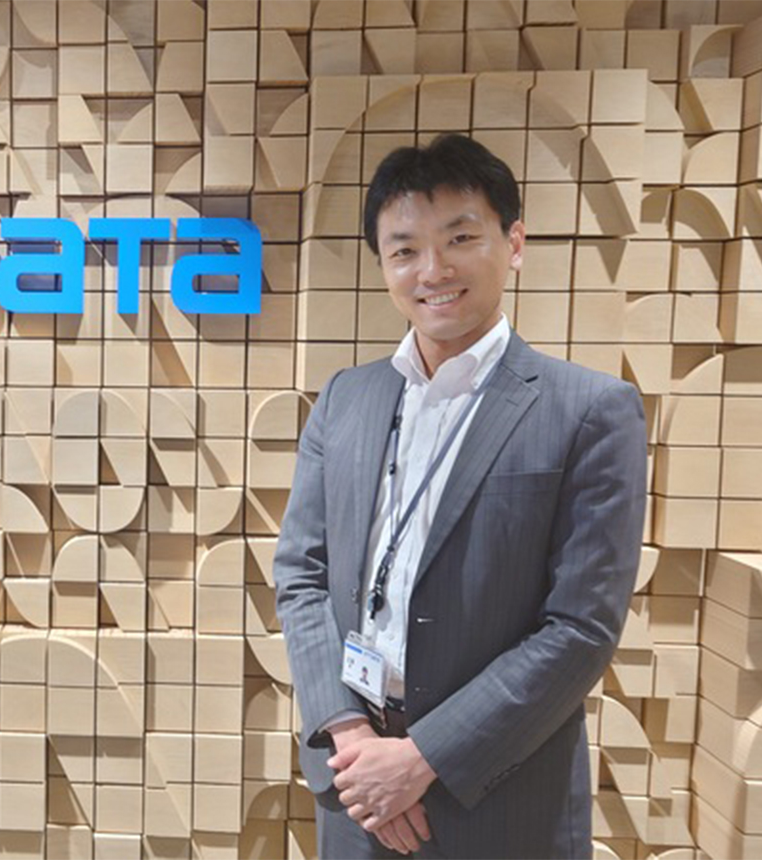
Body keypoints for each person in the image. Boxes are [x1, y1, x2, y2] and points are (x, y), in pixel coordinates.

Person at [274, 134, 647, 859]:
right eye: (405, 249)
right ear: (383, 265)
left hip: (499, 800)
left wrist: (419, 761)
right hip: (355, 789)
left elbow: (580, 627)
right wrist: (350, 738)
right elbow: (301, 573)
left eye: (460, 238)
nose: (433, 270)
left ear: (514, 243)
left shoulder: (589, 411)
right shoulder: (345, 399)